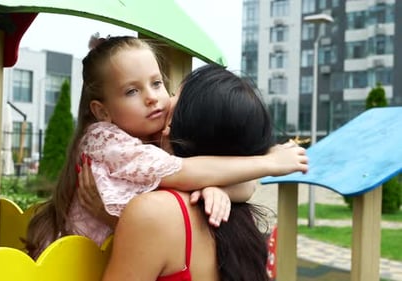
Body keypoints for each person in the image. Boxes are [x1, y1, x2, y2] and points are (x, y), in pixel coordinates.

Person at [25, 36, 308, 259]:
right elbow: (185, 172)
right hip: (73, 263)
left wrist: (217, 188)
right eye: (132, 91)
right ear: (102, 111)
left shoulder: (152, 140)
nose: (152, 98)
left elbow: (243, 186)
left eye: (157, 83)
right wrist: (270, 163)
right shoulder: (103, 140)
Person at [102, 64, 288, 281]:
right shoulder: (236, 213)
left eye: (172, 95)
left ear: (171, 123)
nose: (158, 101)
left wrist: (106, 217)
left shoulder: (153, 212)